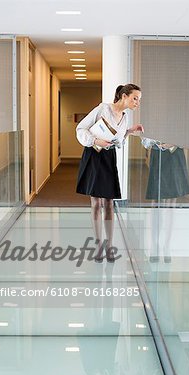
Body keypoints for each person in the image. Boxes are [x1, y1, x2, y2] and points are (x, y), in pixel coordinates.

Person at [76, 84, 144, 262]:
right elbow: (80, 129)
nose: (137, 102)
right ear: (123, 96)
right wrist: (96, 140)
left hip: (108, 157)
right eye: (134, 98)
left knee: (109, 203)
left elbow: (117, 140)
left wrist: (130, 131)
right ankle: (98, 246)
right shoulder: (102, 108)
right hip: (94, 155)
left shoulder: (125, 116)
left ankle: (109, 245)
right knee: (96, 203)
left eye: (138, 99)